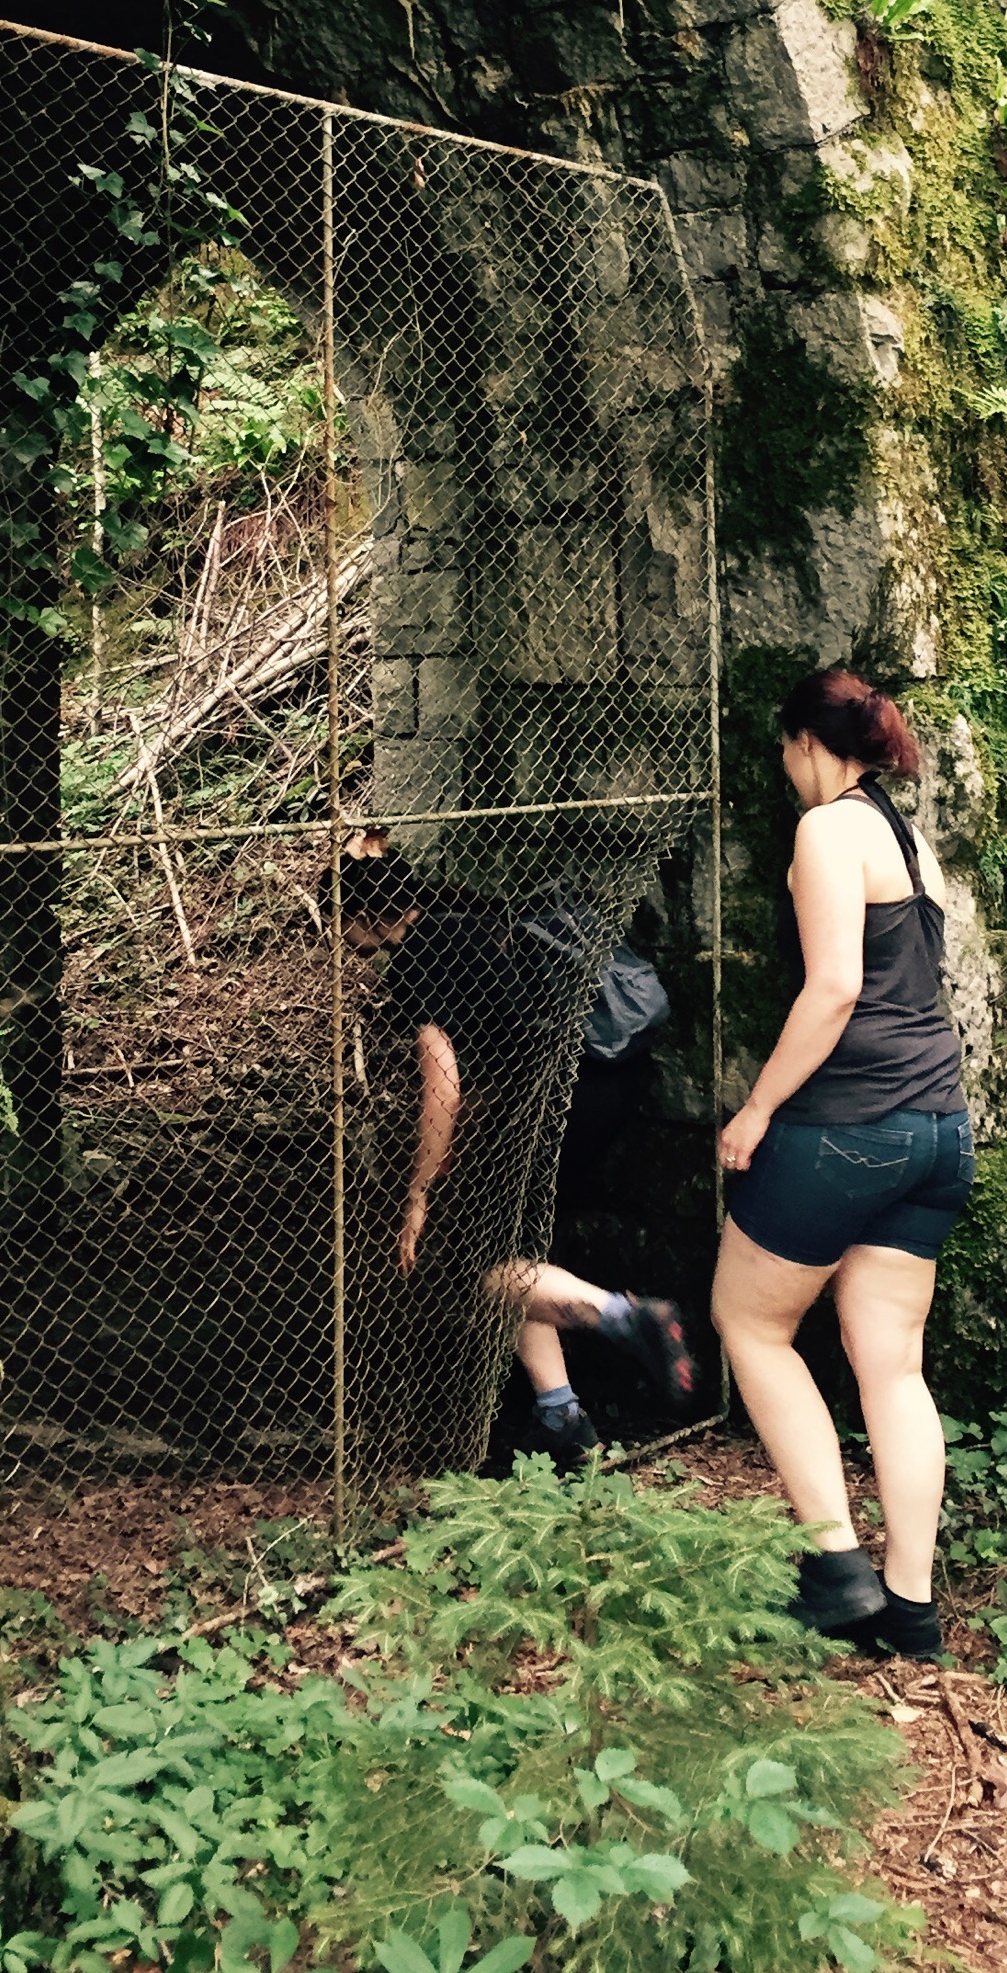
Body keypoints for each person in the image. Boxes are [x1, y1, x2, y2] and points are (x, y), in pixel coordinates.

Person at [712, 666, 972, 1661]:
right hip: (938, 1130)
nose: (785, 772)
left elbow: (833, 991)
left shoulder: (826, 833)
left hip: (848, 1126)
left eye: (786, 751)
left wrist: (758, 1110)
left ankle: (836, 1570)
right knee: (892, 1364)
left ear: (810, 746)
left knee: (749, 1319)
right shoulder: (912, 841)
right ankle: (910, 1605)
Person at [369, 856, 696, 1469]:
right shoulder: (483, 914)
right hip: (610, 1080)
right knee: (512, 1247)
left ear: (365, 915)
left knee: (480, 1264)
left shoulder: (416, 956)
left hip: (557, 1102)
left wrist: (420, 1189)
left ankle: (626, 1319)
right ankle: (561, 1417)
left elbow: (443, 1084)